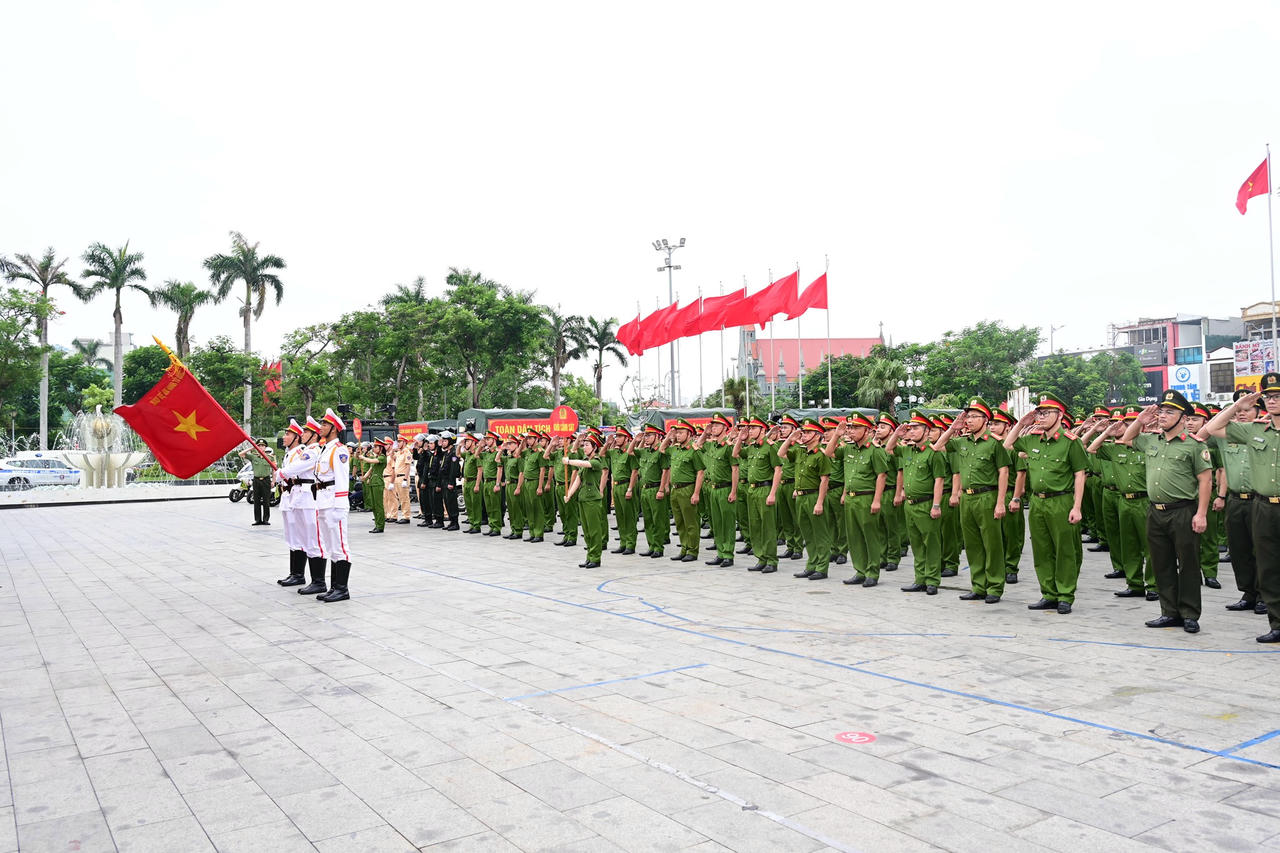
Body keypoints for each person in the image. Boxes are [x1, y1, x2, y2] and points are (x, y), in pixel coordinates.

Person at [1121, 390, 1211, 633]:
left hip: (1183, 511)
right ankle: (1169, 612)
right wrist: (1140, 420)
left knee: (1189, 564)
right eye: (1161, 411)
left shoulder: (1194, 445)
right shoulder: (1152, 440)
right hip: (1155, 511)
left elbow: (1205, 480)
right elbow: (1127, 439)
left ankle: (1190, 613)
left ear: (1183, 417)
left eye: (1169, 412)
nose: (1162, 416)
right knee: (1162, 563)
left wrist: (1201, 513)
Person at [1205, 374, 1280, 643]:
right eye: (1268, 397)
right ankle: (1276, 623)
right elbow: (1212, 429)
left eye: (1277, 396)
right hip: (1263, 507)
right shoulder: (1255, 431)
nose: (1272, 401)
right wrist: (1237, 407)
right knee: (1268, 565)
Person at [1004, 392, 1087, 614]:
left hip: (1061, 500)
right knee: (1042, 550)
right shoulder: (1032, 439)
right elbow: (1007, 443)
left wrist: (1077, 506)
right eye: (1038, 412)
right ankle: (1048, 593)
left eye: (1045, 413)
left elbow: (1080, 474)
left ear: (1059, 414)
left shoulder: (1072, 442)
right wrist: (1022, 422)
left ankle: (1065, 595)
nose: (1040, 417)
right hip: (1037, 502)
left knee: (1065, 550)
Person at [934, 398, 1010, 603]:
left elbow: (1004, 472)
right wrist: (953, 427)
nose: (969, 420)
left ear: (985, 419)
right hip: (966, 498)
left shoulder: (994, 443)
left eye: (974, 416)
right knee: (973, 544)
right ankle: (978, 585)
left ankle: (994, 586)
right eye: (967, 416)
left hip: (987, 496)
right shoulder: (962, 442)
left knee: (992, 544)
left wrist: (1000, 501)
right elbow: (937, 446)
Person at [1200, 390, 1264, 614]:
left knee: (1263, 550)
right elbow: (1205, 431)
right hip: (1236, 500)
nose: (1243, 414)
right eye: (1241, 411)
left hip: (1260, 500)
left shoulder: (1266, 432)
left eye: (1248, 410)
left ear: (1259, 411)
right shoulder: (1229, 434)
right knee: (1239, 549)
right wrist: (1235, 406)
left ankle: (1265, 594)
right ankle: (1248, 593)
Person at [1088, 407, 1151, 599]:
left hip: (1145, 501)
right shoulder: (1115, 449)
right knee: (1128, 543)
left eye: (1133, 422)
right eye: (1126, 422)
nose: (1129, 426)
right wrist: (1107, 432)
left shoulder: (1149, 446)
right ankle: (1134, 583)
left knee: (1150, 546)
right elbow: (1090, 448)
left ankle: (1154, 585)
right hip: (1125, 500)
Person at [829, 413, 890, 587]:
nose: (852, 431)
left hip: (866, 497)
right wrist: (837, 434)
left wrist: (877, 500)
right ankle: (860, 570)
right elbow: (828, 452)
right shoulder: (848, 448)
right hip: (850, 499)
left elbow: (881, 476)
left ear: (867, 430)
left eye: (856, 428)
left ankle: (872, 572)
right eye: (851, 427)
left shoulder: (875, 450)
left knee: (870, 536)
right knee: (854, 536)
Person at [889, 410, 945, 595]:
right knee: (917, 544)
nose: (911, 431)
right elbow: (889, 449)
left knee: (931, 543)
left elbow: (939, 480)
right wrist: (897, 433)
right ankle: (919, 579)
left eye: (916, 428)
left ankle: (932, 580)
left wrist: (936, 505)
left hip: (926, 503)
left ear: (927, 431)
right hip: (910, 504)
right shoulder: (906, 450)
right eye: (910, 428)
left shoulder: (933, 453)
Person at [277, 415, 328, 592]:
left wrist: (282, 473)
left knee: (312, 539)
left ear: (314, 435)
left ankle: (318, 581)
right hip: (298, 497)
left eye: (306, 431)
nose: (303, 433)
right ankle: (299, 574)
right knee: (299, 538)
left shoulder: (311, 451)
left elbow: (296, 468)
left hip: (307, 497)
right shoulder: (307, 450)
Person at [783, 419, 832, 580]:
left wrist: (819, 502)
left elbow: (824, 480)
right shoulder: (800, 451)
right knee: (808, 533)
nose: (804, 435)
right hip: (800, 496)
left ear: (817, 436)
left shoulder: (821, 455)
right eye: (803, 432)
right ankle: (811, 564)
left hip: (813, 496)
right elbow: (781, 453)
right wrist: (791, 438)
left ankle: (822, 567)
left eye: (808, 432)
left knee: (820, 534)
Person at [735, 417, 783, 574]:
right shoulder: (751, 448)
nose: (750, 431)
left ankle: (771, 560)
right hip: (752, 490)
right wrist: (740, 439)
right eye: (749, 429)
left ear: (763, 430)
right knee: (755, 525)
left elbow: (778, 470)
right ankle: (761, 557)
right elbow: (736, 453)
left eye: (753, 429)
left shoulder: (770, 447)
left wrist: (772, 493)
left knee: (767, 526)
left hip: (764, 489)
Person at [1185, 403, 1223, 589]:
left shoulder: (1212, 443)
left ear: (1205, 421)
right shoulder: (1179, 441)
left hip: (1206, 493)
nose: (1191, 422)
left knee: (1208, 536)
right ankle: (1192, 572)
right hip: (1184, 496)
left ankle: (1209, 572)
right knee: (1186, 538)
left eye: (1195, 419)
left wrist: (1221, 495)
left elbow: (1221, 470)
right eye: (1188, 419)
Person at [988, 409, 1026, 584]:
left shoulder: (1012, 448)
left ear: (1007, 426)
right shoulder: (990, 445)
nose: (992, 427)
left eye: (996, 424)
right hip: (993, 493)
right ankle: (998, 566)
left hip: (1010, 492)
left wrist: (1016, 498)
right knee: (995, 534)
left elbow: (1021, 474)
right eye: (991, 424)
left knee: (1011, 534)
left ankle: (1011, 567)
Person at [662, 419, 705, 562]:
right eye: (677, 433)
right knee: (679, 522)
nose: (678, 435)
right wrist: (669, 436)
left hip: (688, 488)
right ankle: (684, 548)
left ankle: (692, 551)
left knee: (691, 522)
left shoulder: (694, 451)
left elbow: (700, 473)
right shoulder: (675, 449)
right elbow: (662, 449)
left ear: (690, 434)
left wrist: (696, 493)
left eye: (681, 433)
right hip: (675, 490)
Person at [697, 413, 737, 567]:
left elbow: (735, 470)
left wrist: (733, 491)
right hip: (713, 489)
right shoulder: (710, 445)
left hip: (725, 488)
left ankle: (728, 554)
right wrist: (705, 432)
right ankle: (720, 552)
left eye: (717, 425)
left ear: (725, 428)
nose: (713, 428)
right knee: (717, 522)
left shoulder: (728, 447)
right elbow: (698, 445)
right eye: (712, 425)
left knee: (727, 523)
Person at [566, 432, 607, 567]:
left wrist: (569, 461)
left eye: (587, 445)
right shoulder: (585, 461)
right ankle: (589, 556)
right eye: (583, 445)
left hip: (592, 500)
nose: (584, 447)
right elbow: (578, 479)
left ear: (594, 447)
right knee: (587, 531)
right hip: (583, 499)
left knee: (594, 530)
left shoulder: (596, 461)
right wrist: (569, 494)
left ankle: (596, 558)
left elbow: (585, 464)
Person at [275, 419, 308, 585]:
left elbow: (293, 473)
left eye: (288, 434)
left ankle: (299, 574)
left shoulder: (300, 451)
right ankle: (293, 572)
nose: (284, 437)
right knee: (291, 536)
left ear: (297, 437)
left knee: (298, 536)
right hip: (287, 496)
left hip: (296, 496)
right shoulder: (289, 453)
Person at [634, 424, 670, 558]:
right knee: (648, 520)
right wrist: (638, 440)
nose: (647, 437)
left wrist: (661, 489)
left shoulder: (661, 452)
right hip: (644, 489)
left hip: (655, 488)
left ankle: (658, 547)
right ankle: (651, 545)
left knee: (658, 520)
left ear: (657, 436)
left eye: (649, 435)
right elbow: (631, 452)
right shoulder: (644, 451)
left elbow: (665, 471)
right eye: (646, 435)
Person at [607, 426, 640, 555]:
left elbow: (634, 471)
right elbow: (602, 453)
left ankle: (630, 544)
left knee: (629, 516)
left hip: (626, 485)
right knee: (620, 516)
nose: (617, 438)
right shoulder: (614, 452)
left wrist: (630, 489)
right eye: (616, 436)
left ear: (626, 438)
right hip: (616, 486)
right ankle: (623, 542)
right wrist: (609, 443)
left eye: (620, 436)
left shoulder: (630, 453)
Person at [820, 416, 849, 566]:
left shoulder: (843, 448)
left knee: (841, 522)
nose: (825, 433)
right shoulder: (826, 449)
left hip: (838, 488)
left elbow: (847, 474)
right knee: (830, 522)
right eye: (824, 430)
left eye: (829, 430)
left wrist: (844, 493)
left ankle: (843, 551)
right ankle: (834, 549)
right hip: (827, 489)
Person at [239, 438, 276, 526]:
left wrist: (273, 481)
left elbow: (274, 470)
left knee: (266, 501)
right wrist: (251, 448)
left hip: (266, 480)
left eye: (262, 446)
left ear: (265, 447)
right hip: (256, 480)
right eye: (259, 446)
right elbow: (241, 454)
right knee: (256, 501)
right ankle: (257, 520)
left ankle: (266, 519)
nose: (261, 447)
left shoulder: (270, 458)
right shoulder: (253, 456)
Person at [360, 439, 388, 533]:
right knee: (374, 506)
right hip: (372, 482)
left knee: (378, 505)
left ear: (381, 448)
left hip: (378, 483)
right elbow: (371, 470)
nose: (374, 449)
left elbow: (372, 461)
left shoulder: (382, 457)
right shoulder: (377, 457)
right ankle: (377, 524)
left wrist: (363, 458)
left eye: (376, 447)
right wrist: (364, 477)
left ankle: (380, 526)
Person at [437, 432, 462, 530]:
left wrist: (451, 483)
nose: (443, 443)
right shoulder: (446, 453)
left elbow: (453, 469)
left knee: (452, 502)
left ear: (450, 442)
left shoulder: (453, 453)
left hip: (449, 481)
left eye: (445, 441)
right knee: (447, 502)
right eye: (442, 441)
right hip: (444, 480)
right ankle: (451, 522)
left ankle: (455, 523)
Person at [386, 437, 413, 524]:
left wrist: (405, 479)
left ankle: (406, 516)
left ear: (404, 442)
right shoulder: (399, 453)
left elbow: (408, 466)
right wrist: (394, 450)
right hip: (397, 477)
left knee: (405, 498)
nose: (398, 443)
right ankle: (403, 515)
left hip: (402, 477)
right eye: (398, 442)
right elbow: (391, 456)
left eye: (400, 442)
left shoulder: (407, 452)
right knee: (401, 498)